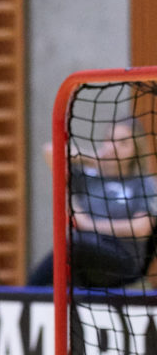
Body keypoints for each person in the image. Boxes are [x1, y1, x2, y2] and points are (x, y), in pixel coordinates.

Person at [28, 118, 157, 288]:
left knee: (76, 243)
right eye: (110, 140)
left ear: (136, 150)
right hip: (85, 257)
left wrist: (89, 225)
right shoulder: (89, 177)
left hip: (123, 261)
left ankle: (29, 292)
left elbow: (141, 228)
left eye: (123, 143)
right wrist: (92, 159)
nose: (114, 147)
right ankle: (29, 294)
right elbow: (50, 151)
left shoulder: (142, 183)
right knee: (74, 248)